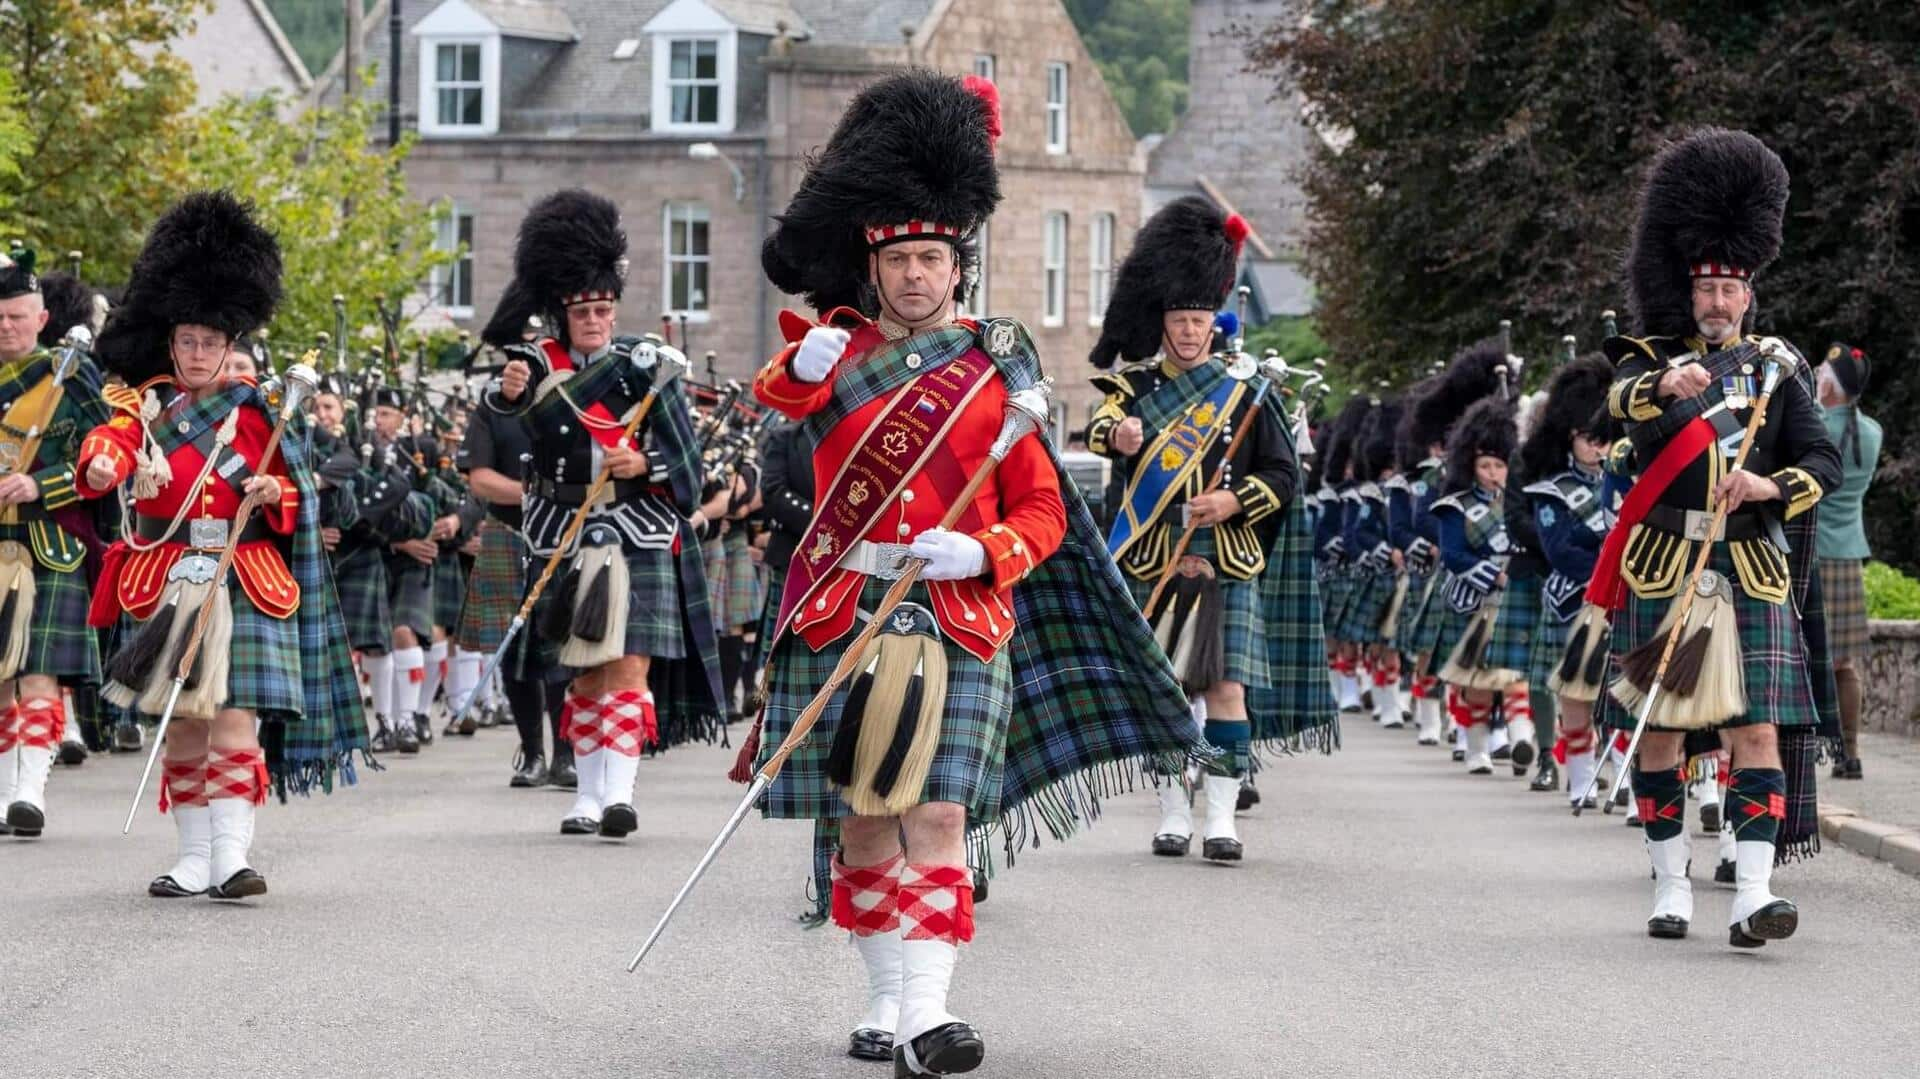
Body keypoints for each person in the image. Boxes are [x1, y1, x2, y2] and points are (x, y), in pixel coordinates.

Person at [751, 69, 1202, 1076]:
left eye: (935, 258)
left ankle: (926, 1015)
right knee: (865, 819)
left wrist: (984, 550)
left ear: (958, 265)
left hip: (962, 614)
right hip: (852, 610)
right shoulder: (832, 355)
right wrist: (809, 365)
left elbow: (1044, 508)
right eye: (904, 258)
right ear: (875, 267)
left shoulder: (998, 369)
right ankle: (881, 995)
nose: (920, 274)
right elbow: (773, 400)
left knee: (944, 811)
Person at [78, 191, 368, 897]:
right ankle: (192, 858)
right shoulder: (141, 406)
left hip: (244, 576)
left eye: (212, 342)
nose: (199, 352)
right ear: (171, 341)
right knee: (183, 724)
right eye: (188, 341)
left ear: (229, 344)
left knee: (234, 715)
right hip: (170, 576)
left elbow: (294, 486)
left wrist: (277, 495)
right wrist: (103, 465)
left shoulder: (258, 411)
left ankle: (232, 855)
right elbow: (105, 450)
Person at [1594, 129, 1840, 945]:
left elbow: (1822, 459)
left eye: (1731, 286)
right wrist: (1665, 384)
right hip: (1667, 562)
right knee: (1660, 733)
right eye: (1707, 285)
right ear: (1687, 286)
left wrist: (1771, 484)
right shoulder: (1651, 360)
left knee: (1757, 731)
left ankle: (1752, 892)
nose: (1719, 300)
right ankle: (1670, 883)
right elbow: (1618, 405)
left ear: (1750, 290)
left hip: (1750, 566)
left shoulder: (1777, 367)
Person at [1087, 194, 1328, 861]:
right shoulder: (1130, 389)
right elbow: (1101, 430)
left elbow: (1284, 476)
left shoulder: (1247, 392)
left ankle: (1222, 818)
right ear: (1161, 322)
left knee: (1226, 689)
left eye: (1198, 321)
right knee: (1167, 688)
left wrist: (1235, 501)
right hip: (1154, 555)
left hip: (1226, 556)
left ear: (1212, 321)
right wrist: (1123, 437)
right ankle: (1171, 812)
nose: (1189, 333)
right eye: (1178, 322)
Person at [483, 189, 722, 839]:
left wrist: (646, 466)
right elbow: (503, 414)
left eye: (604, 308)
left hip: (636, 533)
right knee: (583, 669)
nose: (595, 319)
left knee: (629, 663)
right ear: (563, 314)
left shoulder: (646, 369)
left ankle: (620, 793)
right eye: (584, 310)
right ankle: (585, 795)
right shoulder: (537, 366)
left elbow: (690, 464)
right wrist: (505, 395)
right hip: (564, 534)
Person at [0, 247, 115, 838]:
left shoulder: (67, 375)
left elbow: (104, 454)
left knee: (38, 673)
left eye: (16, 316)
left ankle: (30, 791)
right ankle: (4, 795)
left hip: (49, 542)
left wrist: (40, 481)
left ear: (41, 319)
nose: (6, 326)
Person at [1431, 396, 1520, 775]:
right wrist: (1493, 575)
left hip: (1513, 598)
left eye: (1499, 464)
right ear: (1471, 465)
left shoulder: (1519, 503)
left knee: (1513, 677)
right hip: (1472, 599)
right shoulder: (1455, 505)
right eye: (1485, 465)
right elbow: (1453, 555)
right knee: (1477, 680)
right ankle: (1476, 747)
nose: (1493, 472)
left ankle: (1516, 737)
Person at [1813, 343, 1880, 779]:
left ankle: (1798, 750)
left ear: (1830, 386)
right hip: (1848, 553)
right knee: (1844, 664)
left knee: (1801, 656)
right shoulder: (1872, 432)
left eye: (1821, 372)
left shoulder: (1815, 426)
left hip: (1811, 552)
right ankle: (1849, 753)